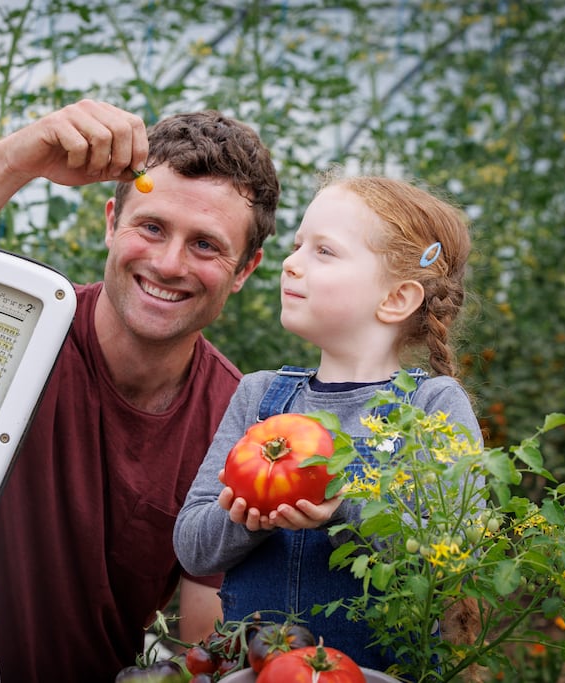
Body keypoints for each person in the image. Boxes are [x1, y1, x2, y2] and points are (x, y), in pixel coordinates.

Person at [0, 100, 281, 683]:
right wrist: (15, 159)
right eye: (150, 227)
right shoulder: (15, 335)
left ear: (246, 269)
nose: (169, 262)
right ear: (111, 222)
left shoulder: (234, 426)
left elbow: (204, 640)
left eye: (206, 244)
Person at [172, 172, 482, 672]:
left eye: (324, 252)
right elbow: (192, 548)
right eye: (296, 246)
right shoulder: (259, 396)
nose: (290, 264)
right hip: (258, 673)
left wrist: (346, 510)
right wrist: (248, 516)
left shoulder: (431, 406)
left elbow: (452, 554)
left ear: (396, 298)